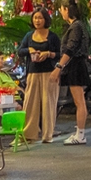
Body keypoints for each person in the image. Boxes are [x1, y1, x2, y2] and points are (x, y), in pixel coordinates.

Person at [14, 9, 61, 143]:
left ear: (45, 20)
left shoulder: (52, 37)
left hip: (50, 73)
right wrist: (29, 50)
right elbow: (20, 51)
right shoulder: (29, 36)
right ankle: (28, 135)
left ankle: (47, 135)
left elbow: (60, 54)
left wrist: (48, 54)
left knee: (48, 104)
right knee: (30, 104)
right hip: (33, 73)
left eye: (40, 18)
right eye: (35, 18)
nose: (37, 21)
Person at [53, 0, 91, 144]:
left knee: (79, 102)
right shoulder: (79, 26)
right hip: (75, 65)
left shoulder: (76, 27)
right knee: (79, 101)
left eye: (62, 9)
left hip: (75, 66)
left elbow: (71, 49)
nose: (61, 12)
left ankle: (80, 135)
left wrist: (58, 67)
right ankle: (79, 133)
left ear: (66, 9)